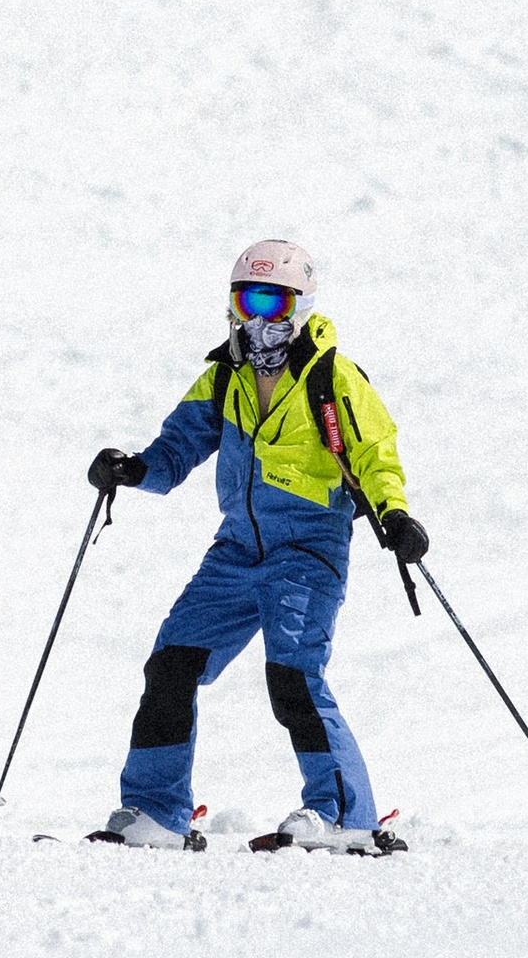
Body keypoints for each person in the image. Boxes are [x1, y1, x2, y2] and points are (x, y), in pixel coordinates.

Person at [84, 236, 424, 855]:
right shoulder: (225, 376)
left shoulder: (332, 378)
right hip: (237, 551)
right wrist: (133, 469)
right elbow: (177, 446)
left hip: (308, 551)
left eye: (273, 302)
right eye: (247, 302)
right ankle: (157, 812)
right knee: (171, 664)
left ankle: (344, 815)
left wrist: (394, 514)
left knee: (293, 676)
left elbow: (376, 453)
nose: (258, 319)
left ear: (301, 305)